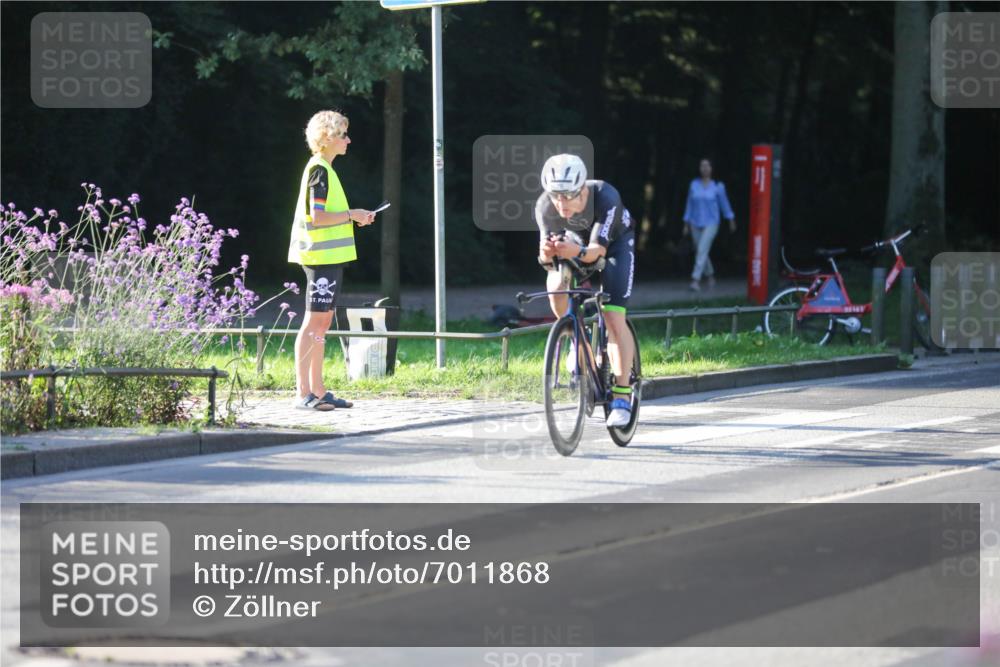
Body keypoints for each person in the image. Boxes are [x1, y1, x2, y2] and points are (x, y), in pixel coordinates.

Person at [535, 154, 637, 428]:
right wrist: (547, 253)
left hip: (612, 246)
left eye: (567, 196)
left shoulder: (606, 196)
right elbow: (545, 260)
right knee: (556, 285)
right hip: (577, 245)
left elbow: (597, 252)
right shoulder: (545, 206)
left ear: (582, 189)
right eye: (555, 196)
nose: (560, 204)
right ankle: (575, 338)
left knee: (613, 317)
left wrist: (576, 251)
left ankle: (622, 395)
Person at [287, 110, 376, 411]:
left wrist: (355, 216)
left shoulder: (325, 168)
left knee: (321, 323)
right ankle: (303, 393)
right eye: (342, 135)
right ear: (327, 139)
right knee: (314, 322)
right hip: (319, 257)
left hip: (328, 258)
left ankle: (319, 390)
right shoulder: (319, 170)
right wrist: (353, 215)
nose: (348, 140)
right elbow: (319, 217)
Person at [682, 158, 736, 291]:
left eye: (707, 166)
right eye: (702, 166)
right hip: (695, 222)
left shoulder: (718, 186)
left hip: (712, 223)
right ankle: (710, 275)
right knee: (701, 250)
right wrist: (686, 222)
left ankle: (695, 280)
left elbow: (724, 204)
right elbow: (689, 204)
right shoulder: (693, 184)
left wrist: (730, 219)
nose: (705, 168)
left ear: (712, 168)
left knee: (701, 249)